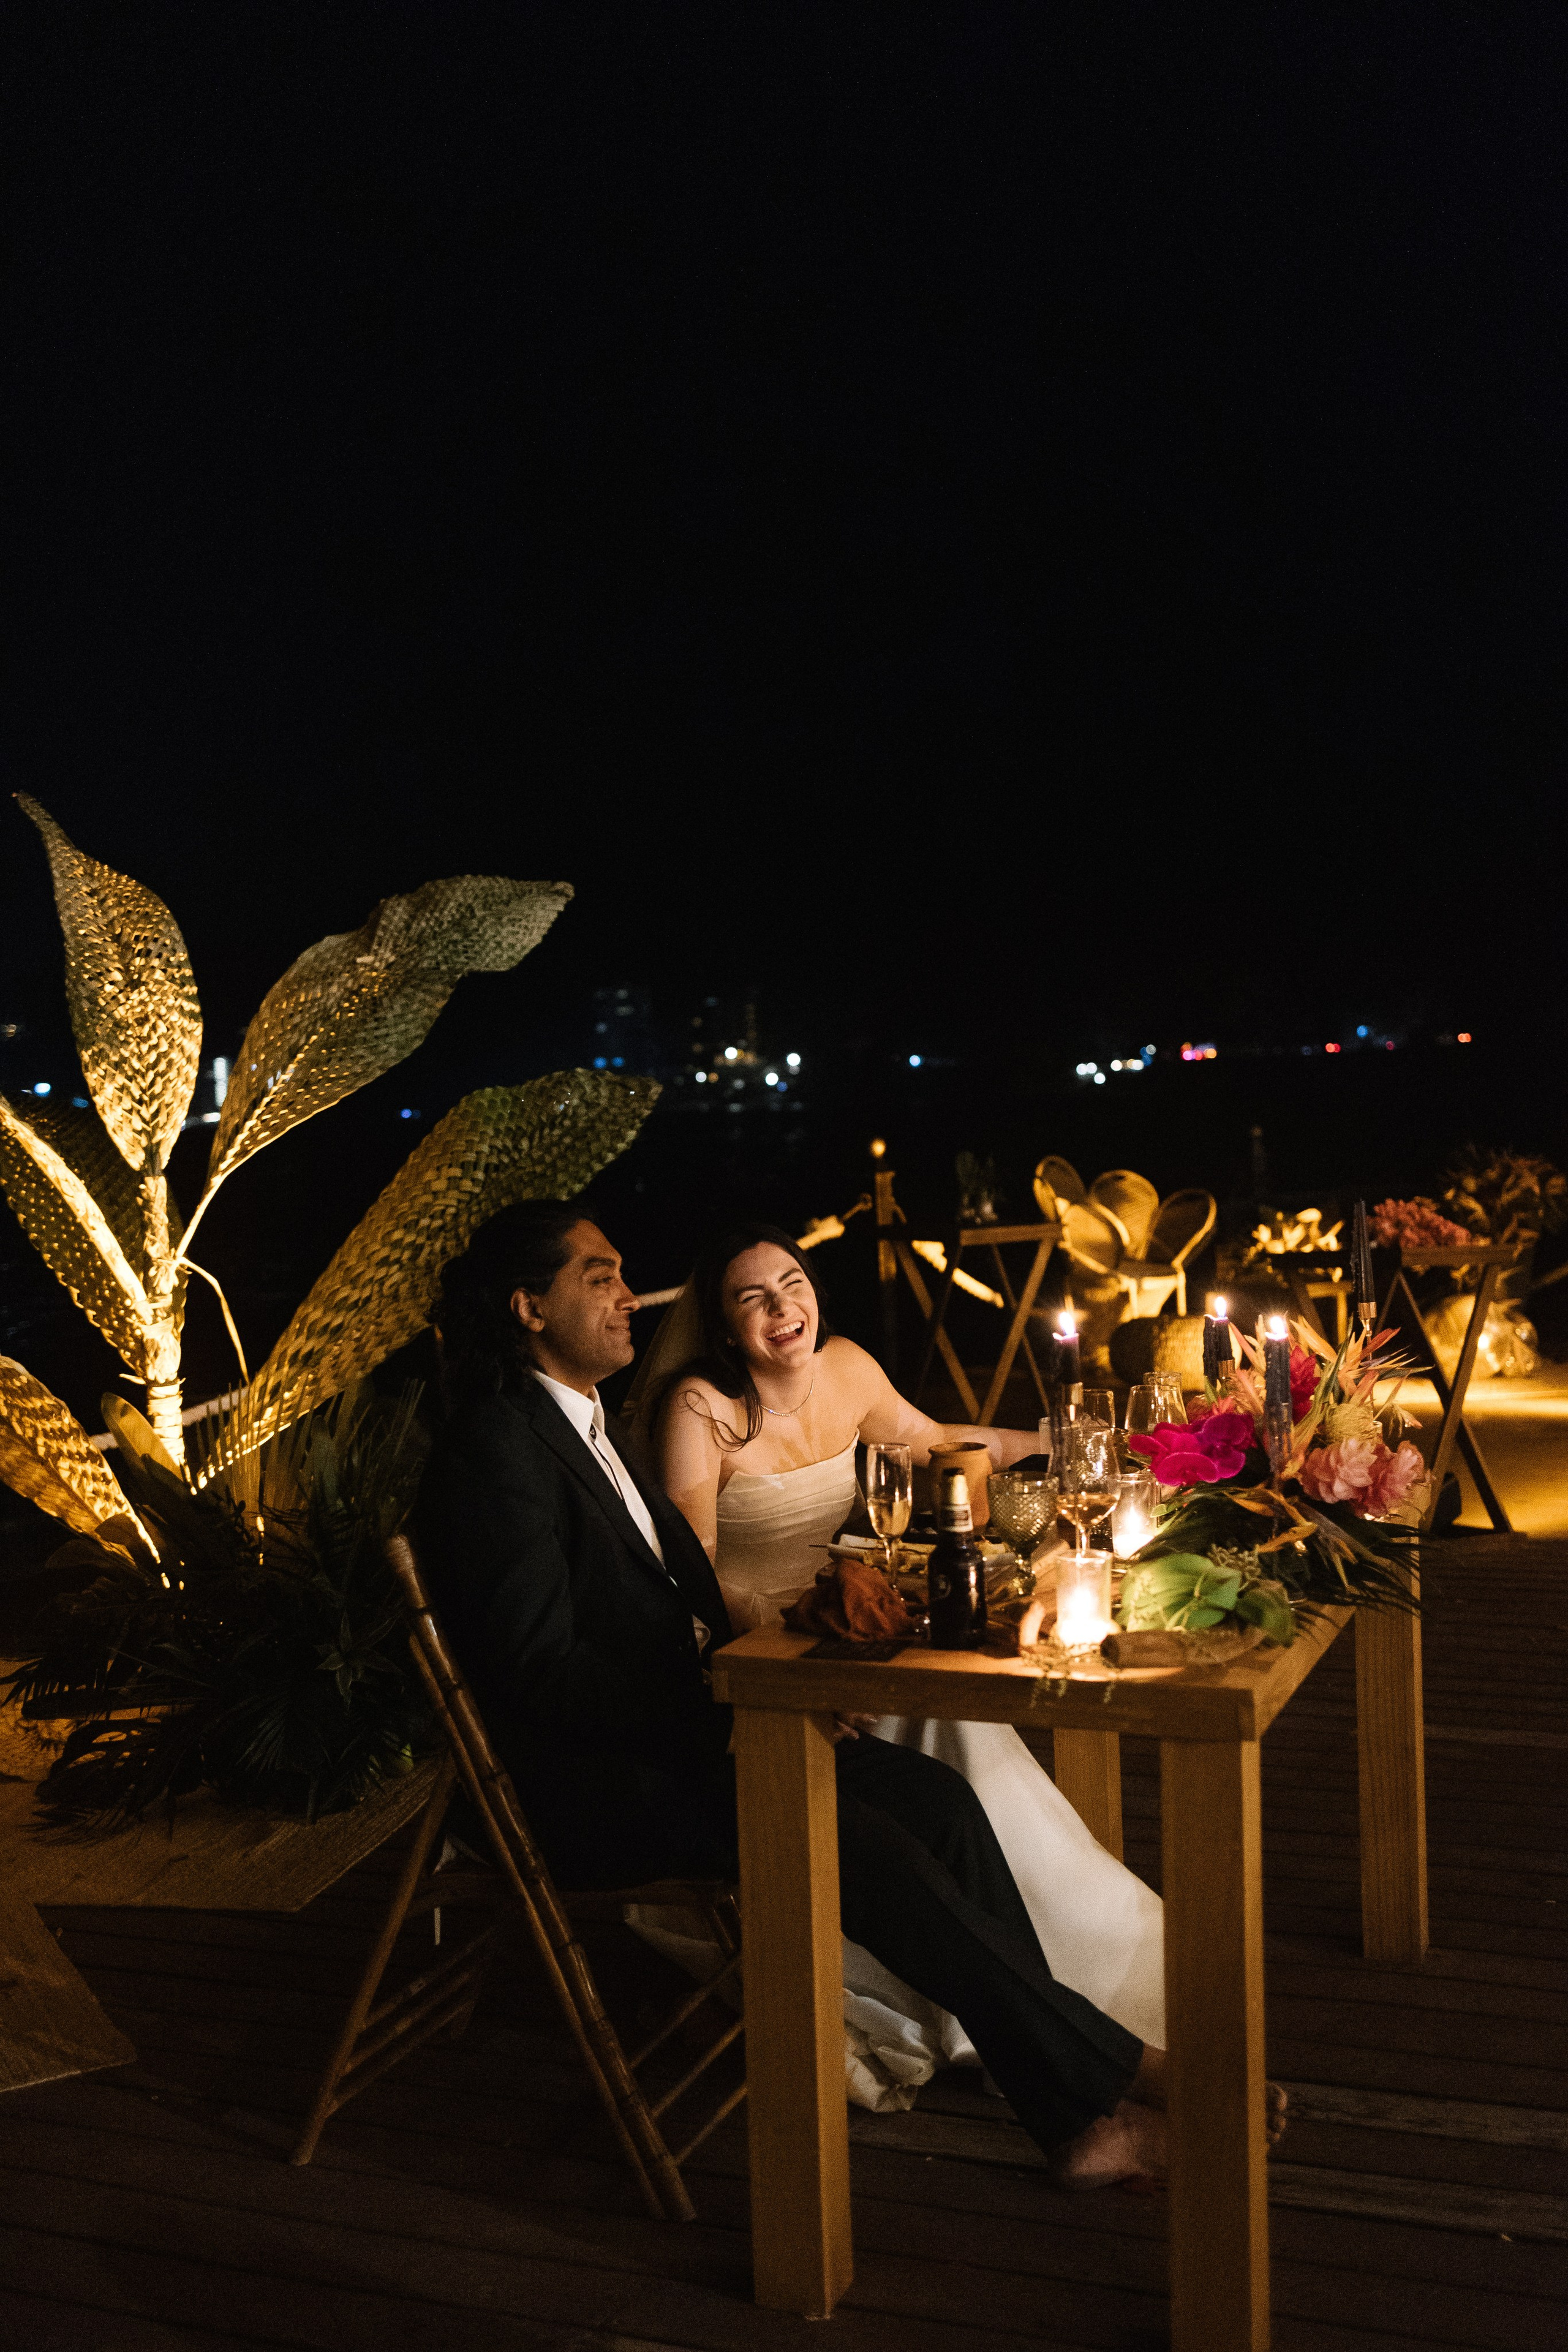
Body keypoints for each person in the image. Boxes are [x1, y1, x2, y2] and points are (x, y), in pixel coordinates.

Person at [413, 1199, 1172, 2188]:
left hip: (690, 1739)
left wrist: (784, 1669)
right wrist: (730, 1706)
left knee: (940, 1803)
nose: (628, 1295)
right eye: (600, 1279)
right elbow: (539, 1670)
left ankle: (1067, 2102)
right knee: (867, 1846)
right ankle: (1112, 2078)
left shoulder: (586, 1419)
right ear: (528, 1307)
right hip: (599, 1789)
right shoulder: (498, 1450)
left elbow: (677, 1591)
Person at [636, 1221, 1168, 2110]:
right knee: (938, 1743)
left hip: (849, 1626)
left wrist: (1061, 1443)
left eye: (793, 1284)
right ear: (724, 1325)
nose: (781, 1308)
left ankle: (1047, 1982)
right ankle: (1001, 2004)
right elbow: (689, 1566)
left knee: (957, 1722)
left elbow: (938, 1438)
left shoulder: (845, 1367)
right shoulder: (701, 1409)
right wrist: (788, 1644)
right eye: (752, 1297)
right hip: (749, 1643)